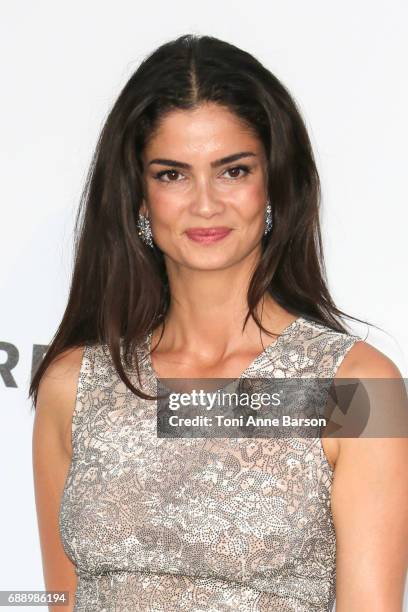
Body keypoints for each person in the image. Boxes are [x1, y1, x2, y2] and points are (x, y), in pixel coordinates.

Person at [30, 34, 408, 612]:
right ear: (137, 196)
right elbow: (59, 600)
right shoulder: (74, 385)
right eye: (172, 174)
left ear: (274, 181)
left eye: (232, 170)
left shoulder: (356, 388)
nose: (205, 204)